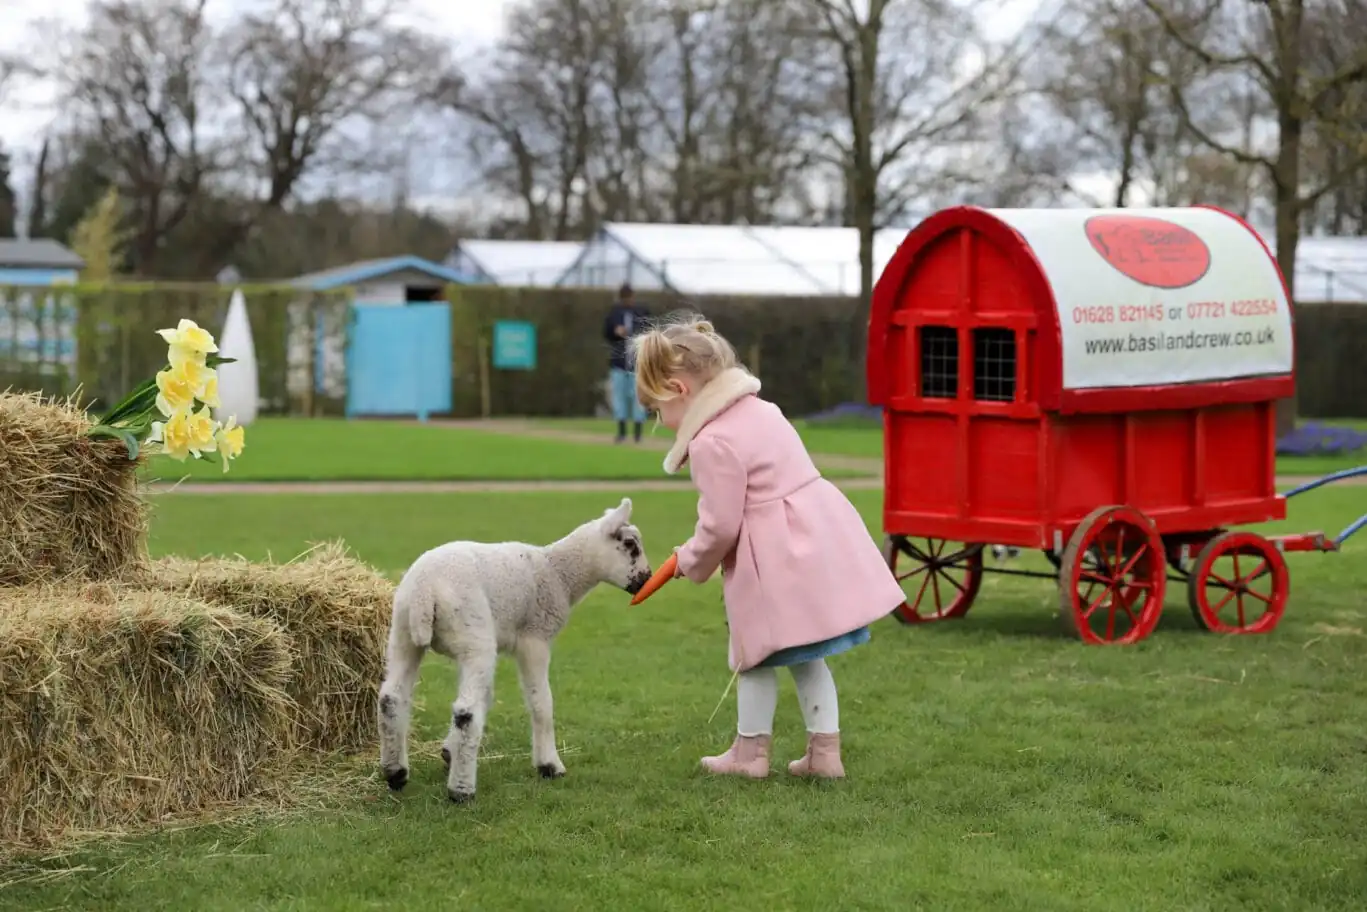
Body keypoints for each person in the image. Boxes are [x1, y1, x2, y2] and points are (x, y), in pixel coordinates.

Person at [629, 314, 904, 780]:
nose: (661, 422)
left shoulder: (713, 441)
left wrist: (688, 559)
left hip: (771, 559)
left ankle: (749, 754)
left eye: (657, 410)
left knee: (752, 655)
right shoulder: (762, 410)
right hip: (810, 544)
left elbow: (719, 526)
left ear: (680, 390)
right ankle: (825, 753)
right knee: (807, 652)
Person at [602, 283, 649, 444]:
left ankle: (638, 433)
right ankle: (621, 432)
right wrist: (615, 332)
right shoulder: (614, 313)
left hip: (637, 363)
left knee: (638, 398)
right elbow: (606, 333)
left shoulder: (641, 313)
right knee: (619, 397)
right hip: (618, 363)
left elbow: (648, 332)